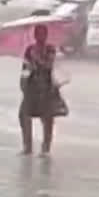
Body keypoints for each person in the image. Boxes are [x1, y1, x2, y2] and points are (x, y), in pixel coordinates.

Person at [19, 24, 67, 156]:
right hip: (31, 87)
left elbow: (48, 66)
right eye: (36, 33)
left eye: (41, 33)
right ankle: (27, 146)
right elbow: (25, 67)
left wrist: (37, 59)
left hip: (46, 88)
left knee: (47, 118)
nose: (39, 36)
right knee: (24, 115)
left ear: (45, 35)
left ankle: (46, 148)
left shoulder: (50, 49)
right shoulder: (29, 49)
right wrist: (23, 82)